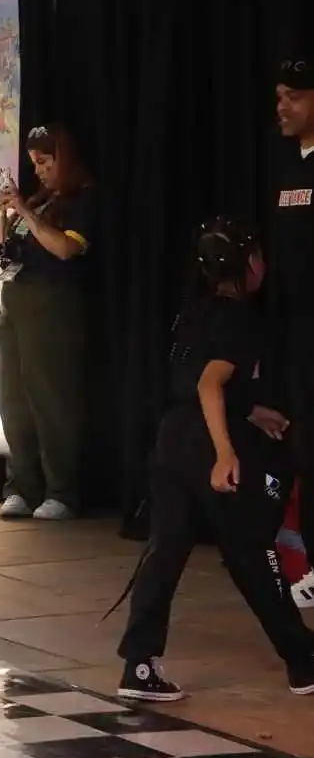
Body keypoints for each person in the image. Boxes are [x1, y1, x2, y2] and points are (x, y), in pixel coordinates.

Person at [113, 218, 314, 701]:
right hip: (204, 444)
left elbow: (194, 380)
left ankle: (138, 666)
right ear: (246, 265)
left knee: (166, 550)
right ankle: (304, 662)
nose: (265, 265)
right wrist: (225, 451)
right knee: (252, 552)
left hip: (173, 439)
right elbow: (209, 384)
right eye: (259, 256)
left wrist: (250, 409)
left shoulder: (192, 313)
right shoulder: (240, 317)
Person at [0, 124, 97, 521]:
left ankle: (61, 490)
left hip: (53, 308)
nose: (39, 170)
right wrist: (1, 213)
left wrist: (23, 211)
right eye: (35, 163)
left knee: (51, 401)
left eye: (46, 162)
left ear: (64, 160)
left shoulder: (81, 199)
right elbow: (5, 251)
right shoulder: (37, 198)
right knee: (12, 398)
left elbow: (66, 248)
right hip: (16, 303)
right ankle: (21, 484)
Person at [256, 54, 314, 609]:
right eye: (279, 96)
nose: (283, 106)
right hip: (292, 342)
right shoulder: (284, 168)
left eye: (294, 95)